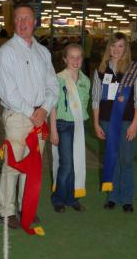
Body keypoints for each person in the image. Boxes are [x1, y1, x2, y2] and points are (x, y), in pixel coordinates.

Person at [0, 4, 59, 230]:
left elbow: (53, 85)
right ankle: (7, 211)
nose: (23, 23)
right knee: (13, 165)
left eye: (27, 18)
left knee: (32, 167)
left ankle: (26, 208)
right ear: (14, 23)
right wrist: (32, 112)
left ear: (35, 22)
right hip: (18, 117)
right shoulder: (6, 52)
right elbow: (6, 91)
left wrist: (44, 109)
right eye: (19, 19)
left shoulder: (43, 53)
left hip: (39, 117)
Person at [92, 32, 137, 213]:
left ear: (126, 48)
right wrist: (96, 123)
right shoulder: (100, 70)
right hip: (106, 122)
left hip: (127, 122)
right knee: (111, 159)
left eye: (120, 46)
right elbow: (95, 99)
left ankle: (127, 198)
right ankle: (112, 196)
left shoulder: (134, 70)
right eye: (113, 46)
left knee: (126, 161)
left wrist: (135, 124)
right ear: (109, 48)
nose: (116, 50)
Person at [50, 43, 90, 213]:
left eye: (78, 57)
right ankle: (58, 198)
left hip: (79, 126)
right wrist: (53, 130)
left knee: (77, 163)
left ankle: (72, 198)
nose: (75, 60)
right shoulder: (58, 79)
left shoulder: (85, 81)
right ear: (65, 59)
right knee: (66, 164)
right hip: (62, 125)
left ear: (82, 59)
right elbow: (52, 106)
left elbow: (85, 106)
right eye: (71, 57)